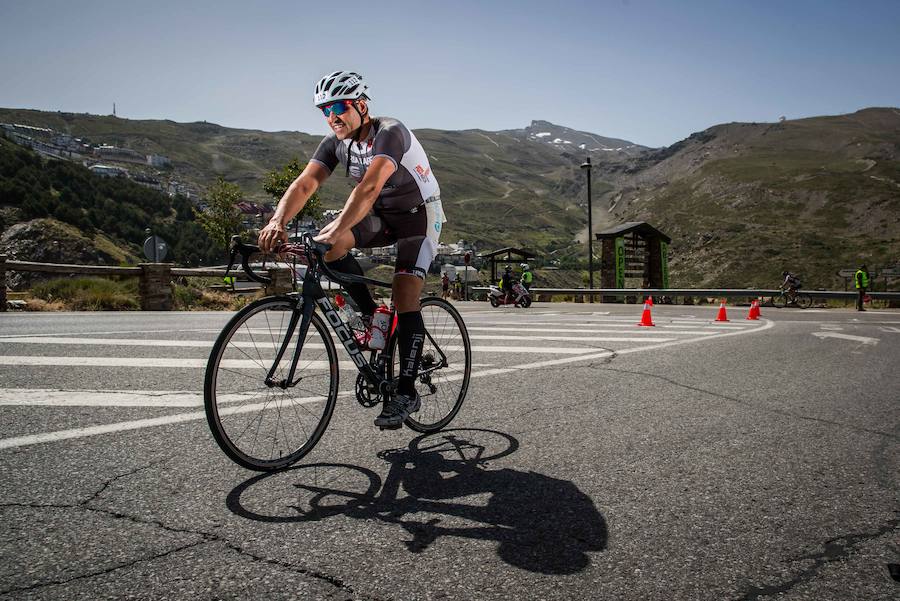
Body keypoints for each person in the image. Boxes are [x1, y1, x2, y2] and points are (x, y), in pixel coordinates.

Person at [258, 70, 446, 429]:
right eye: (324, 110)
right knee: (331, 249)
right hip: (381, 216)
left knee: (405, 293)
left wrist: (334, 229)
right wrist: (277, 221)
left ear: (361, 105)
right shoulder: (334, 143)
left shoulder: (390, 133)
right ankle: (371, 315)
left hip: (417, 217)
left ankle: (406, 391)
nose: (332, 117)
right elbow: (306, 183)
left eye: (339, 107)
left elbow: (370, 187)